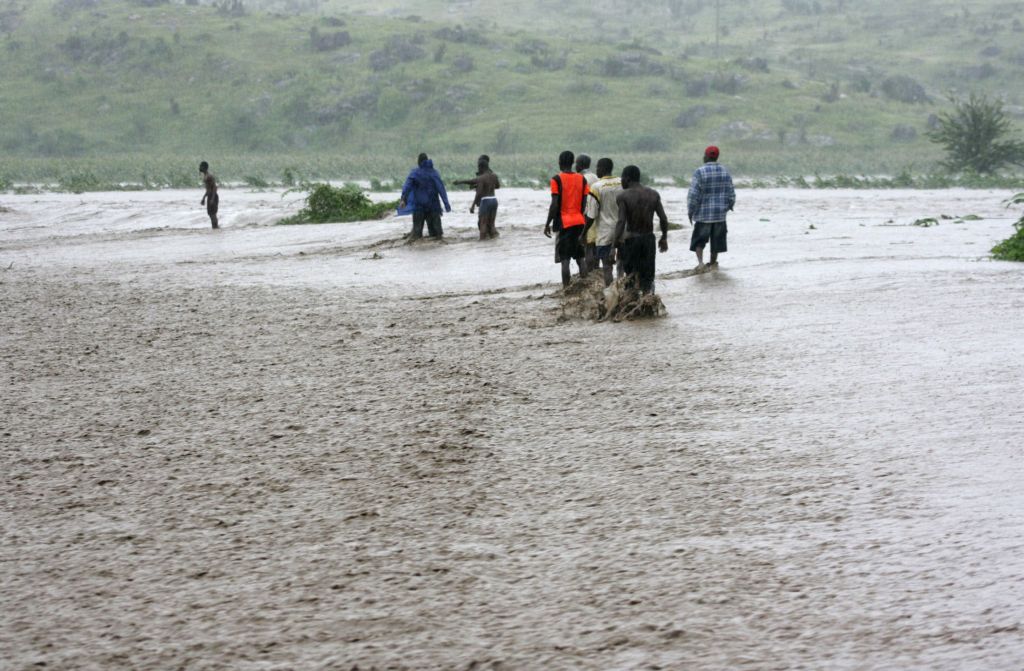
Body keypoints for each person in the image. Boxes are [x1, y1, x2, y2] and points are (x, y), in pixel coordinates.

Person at [612, 165, 669, 295]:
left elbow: (621, 222)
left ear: (627, 178)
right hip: (649, 240)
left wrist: (614, 245)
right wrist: (664, 237)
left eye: (622, 178)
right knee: (648, 277)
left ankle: (631, 308)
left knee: (630, 277)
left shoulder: (623, 196)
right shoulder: (653, 194)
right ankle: (648, 302)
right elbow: (664, 219)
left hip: (632, 241)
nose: (621, 181)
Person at [544, 150, 590, 287]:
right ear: (572, 163)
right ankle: (585, 287)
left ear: (560, 162)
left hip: (564, 223)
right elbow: (584, 203)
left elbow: (554, 204)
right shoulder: (582, 179)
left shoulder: (556, 179)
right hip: (579, 221)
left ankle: (566, 289)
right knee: (580, 257)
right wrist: (579, 216)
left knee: (565, 260)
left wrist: (548, 223)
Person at [687, 145, 735, 269]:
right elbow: (731, 193)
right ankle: (713, 264)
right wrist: (729, 206)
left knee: (699, 241)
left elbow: (693, 194)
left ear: (706, 156)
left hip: (703, 215)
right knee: (717, 241)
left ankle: (700, 263)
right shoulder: (725, 171)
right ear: (716, 157)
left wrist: (690, 210)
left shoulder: (699, 172)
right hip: (719, 215)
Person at [582, 157, 624, 287]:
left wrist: (583, 233)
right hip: (622, 230)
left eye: (598, 168)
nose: (597, 170)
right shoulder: (623, 183)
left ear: (603, 168)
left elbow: (591, 215)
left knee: (607, 267)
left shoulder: (596, 187)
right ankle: (623, 290)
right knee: (622, 265)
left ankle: (610, 295)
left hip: (605, 233)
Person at [400, 153, 451, 239]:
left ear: (419, 162)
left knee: (416, 235)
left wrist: (403, 199)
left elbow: (407, 186)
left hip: (419, 208)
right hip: (433, 208)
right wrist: (446, 204)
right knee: (437, 236)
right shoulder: (434, 173)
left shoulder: (414, 173)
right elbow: (441, 189)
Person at [453, 155, 501, 240]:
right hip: (494, 200)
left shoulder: (481, 178)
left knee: (483, 224)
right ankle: (495, 241)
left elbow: (478, 193)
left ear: (481, 167)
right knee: (492, 224)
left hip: (485, 201)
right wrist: (461, 182)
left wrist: (472, 206)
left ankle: (482, 243)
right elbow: (497, 186)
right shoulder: (494, 175)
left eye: (478, 167)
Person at [575, 154, 600, 270]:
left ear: (579, 165)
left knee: (588, 246)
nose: (575, 166)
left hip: (586, 215)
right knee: (595, 244)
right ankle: (596, 270)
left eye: (576, 163)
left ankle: (589, 272)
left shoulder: (581, 178)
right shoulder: (595, 177)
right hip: (598, 214)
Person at [199, 161, 218, 229]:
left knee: (213, 214)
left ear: (204, 167)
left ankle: (215, 228)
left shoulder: (209, 176)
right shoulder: (205, 176)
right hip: (210, 196)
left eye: (200, 166)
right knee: (210, 214)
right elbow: (208, 189)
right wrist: (204, 198)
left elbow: (214, 188)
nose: (199, 168)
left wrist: (212, 199)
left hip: (213, 196)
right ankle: (215, 228)